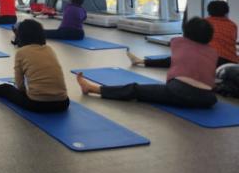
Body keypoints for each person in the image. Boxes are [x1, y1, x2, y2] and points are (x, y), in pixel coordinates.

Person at [77, 17, 217, 109]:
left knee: (135, 89)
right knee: (175, 60)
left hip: (178, 93)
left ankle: (92, 88)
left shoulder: (178, 43)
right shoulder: (213, 52)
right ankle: (140, 61)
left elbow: (175, 55)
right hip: (207, 99)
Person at [0, 19, 69, 113]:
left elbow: (19, 82)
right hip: (63, 103)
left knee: (6, 89)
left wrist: (20, 93)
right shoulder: (49, 49)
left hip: (37, 104)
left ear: (21, 36)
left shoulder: (21, 52)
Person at [206, 0, 238, 65]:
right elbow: (233, 40)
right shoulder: (232, 25)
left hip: (209, 59)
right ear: (226, 12)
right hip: (230, 61)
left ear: (209, 11)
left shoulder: (204, 23)